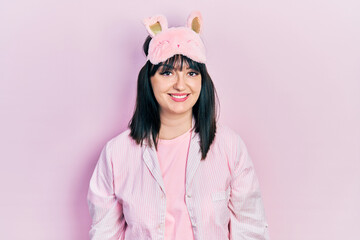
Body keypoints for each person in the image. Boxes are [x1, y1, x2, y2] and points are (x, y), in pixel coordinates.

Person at [87, 11, 270, 240]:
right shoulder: (117, 154)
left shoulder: (229, 147)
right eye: (167, 72)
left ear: (202, 81)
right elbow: (105, 234)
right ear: (149, 80)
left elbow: (250, 229)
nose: (180, 85)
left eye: (191, 73)